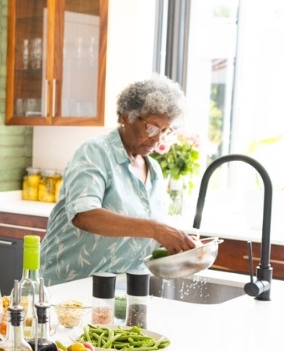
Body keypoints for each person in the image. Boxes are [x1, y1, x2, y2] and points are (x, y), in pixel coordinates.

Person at [41, 75, 199, 286]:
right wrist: (156, 229)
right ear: (125, 117)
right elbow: (84, 215)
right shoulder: (95, 152)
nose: (157, 138)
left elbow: (141, 238)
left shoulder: (155, 170)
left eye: (165, 130)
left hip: (121, 291)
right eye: (151, 127)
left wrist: (181, 246)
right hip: (70, 287)